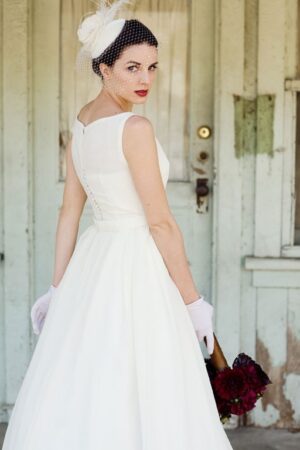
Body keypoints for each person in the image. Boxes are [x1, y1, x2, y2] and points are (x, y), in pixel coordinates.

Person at [2, 1, 234, 448]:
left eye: (151, 67)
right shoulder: (134, 128)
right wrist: (192, 302)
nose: (145, 79)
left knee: (90, 378)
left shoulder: (82, 124)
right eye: (132, 67)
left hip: (94, 261)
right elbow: (161, 223)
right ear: (103, 68)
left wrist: (58, 287)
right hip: (135, 263)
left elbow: (70, 211)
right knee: (144, 379)